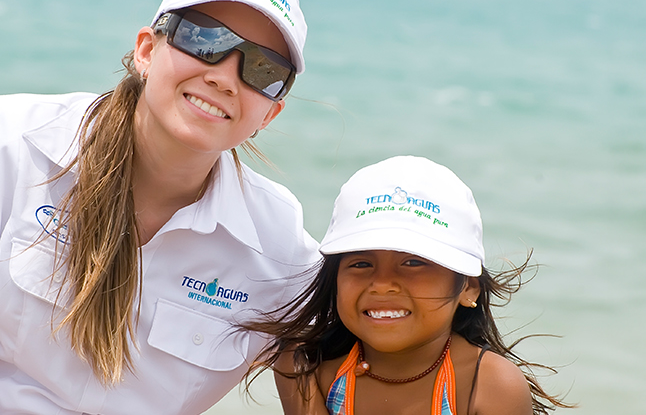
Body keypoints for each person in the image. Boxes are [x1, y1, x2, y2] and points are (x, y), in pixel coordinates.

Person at [0, 0, 320, 415]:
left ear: (269, 114)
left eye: (263, 69)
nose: (224, 77)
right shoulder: (7, 144)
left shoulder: (282, 253)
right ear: (147, 51)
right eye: (204, 39)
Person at [244, 156, 572, 415]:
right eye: (361, 263)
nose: (383, 283)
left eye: (414, 262)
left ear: (469, 288)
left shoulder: (488, 384)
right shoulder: (306, 369)